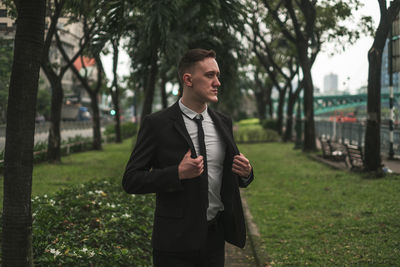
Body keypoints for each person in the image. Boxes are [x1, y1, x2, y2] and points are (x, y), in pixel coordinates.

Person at [122, 48, 254, 267]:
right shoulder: (157, 124)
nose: (217, 82)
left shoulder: (223, 123)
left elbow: (229, 174)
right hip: (173, 243)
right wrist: (177, 173)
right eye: (210, 75)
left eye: (217, 76)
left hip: (214, 238)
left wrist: (247, 173)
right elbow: (131, 179)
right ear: (188, 79)